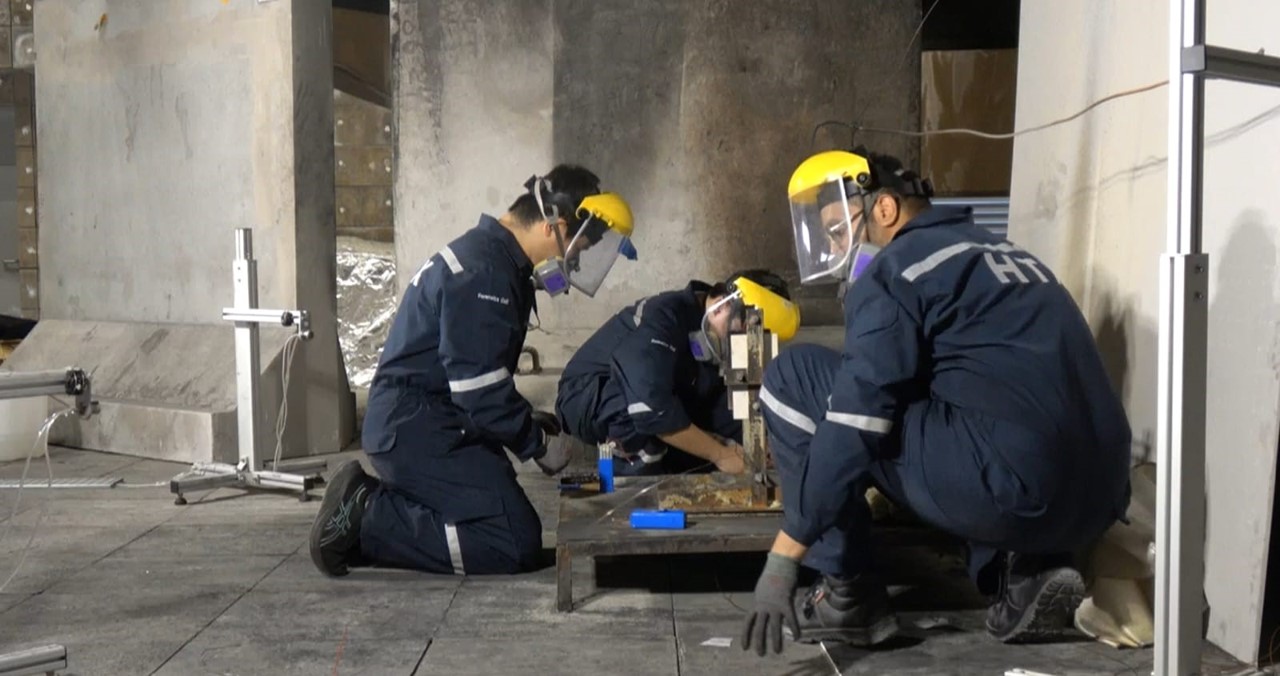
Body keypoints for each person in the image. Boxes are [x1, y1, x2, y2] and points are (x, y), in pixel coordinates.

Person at [739, 149, 1132, 655]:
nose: (837, 247)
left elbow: (856, 421)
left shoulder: (893, 270)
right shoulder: (1006, 254)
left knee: (792, 376)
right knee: (960, 402)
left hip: (1014, 490)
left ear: (883, 210)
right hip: (1099, 501)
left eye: (839, 231)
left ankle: (848, 591)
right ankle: (1025, 571)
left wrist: (784, 556)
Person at [309, 165, 636, 577]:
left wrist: (523, 420)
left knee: (508, 521)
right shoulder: (487, 273)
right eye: (580, 249)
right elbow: (478, 391)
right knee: (510, 542)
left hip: (434, 420)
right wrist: (535, 443)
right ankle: (367, 514)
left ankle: (404, 504)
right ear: (557, 227)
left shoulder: (492, 259)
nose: (575, 261)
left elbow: (472, 375)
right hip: (416, 430)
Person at [555, 270, 798, 477]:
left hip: (662, 396)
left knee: (728, 422)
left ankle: (672, 472)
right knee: (644, 412)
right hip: (588, 394)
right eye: (744, 330)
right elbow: (648, 401)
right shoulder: (665, 315)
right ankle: (632, 494)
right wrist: (720, 454)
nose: (745, 342)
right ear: (723, 306)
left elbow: (719, 407)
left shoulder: (712, 337)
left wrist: (759, 443)